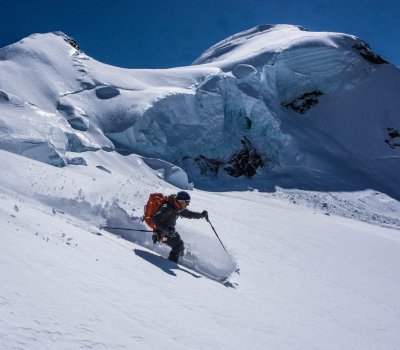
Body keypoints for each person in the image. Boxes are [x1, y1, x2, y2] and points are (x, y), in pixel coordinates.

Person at [151, 191, 208, 263]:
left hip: (169, 232)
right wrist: (167, 230)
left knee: (180, 244)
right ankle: (171, 263)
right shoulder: (168, 208)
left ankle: (180, 260)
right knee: (178, 245)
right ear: (181, 201)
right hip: (161, 235)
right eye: (187, 202)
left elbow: (188, 214)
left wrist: (201, 215)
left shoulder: (177, 207)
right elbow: (154, 218)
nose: (188, 204)